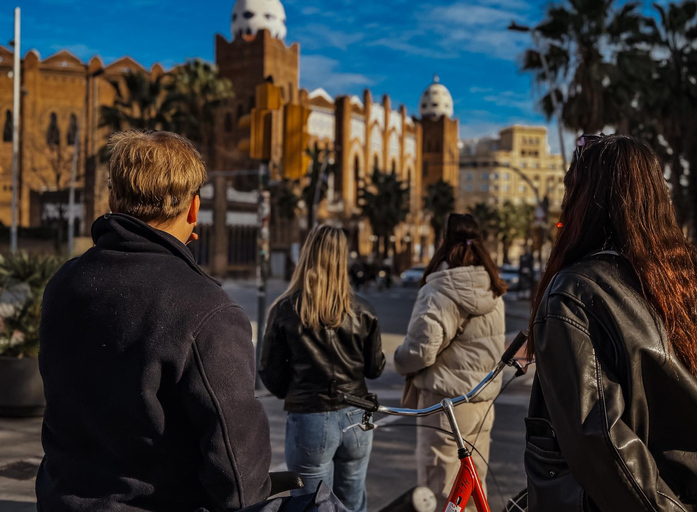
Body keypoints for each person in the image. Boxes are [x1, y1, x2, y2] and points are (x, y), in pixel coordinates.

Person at [36, 131, 272, 512]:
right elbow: (237, 468)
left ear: (113, 199)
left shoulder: (65, 282)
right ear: (194, 209)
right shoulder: (206, 308)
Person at [525, 134, 697, 511]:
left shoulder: (573, 292)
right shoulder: (691, 283)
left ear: (586, 199)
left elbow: (602, 442)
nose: (565, 203)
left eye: (572, 190)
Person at [259, 225, 386, 512]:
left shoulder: (286, 309)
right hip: (356, 416)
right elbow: (375, 368)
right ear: (343, 260)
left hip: (310, 417)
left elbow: (271, 376)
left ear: (308, 256)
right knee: (353, 502)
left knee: (312, 504)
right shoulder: (363, 310)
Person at [394, 213, 507, 512]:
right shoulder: (493, 291)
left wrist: (399, 359)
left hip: (446, 407)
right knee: (471, 491)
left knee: (442, 493)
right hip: (482, 403)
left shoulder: (439, 291)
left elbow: (420, 351)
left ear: (444, 242)